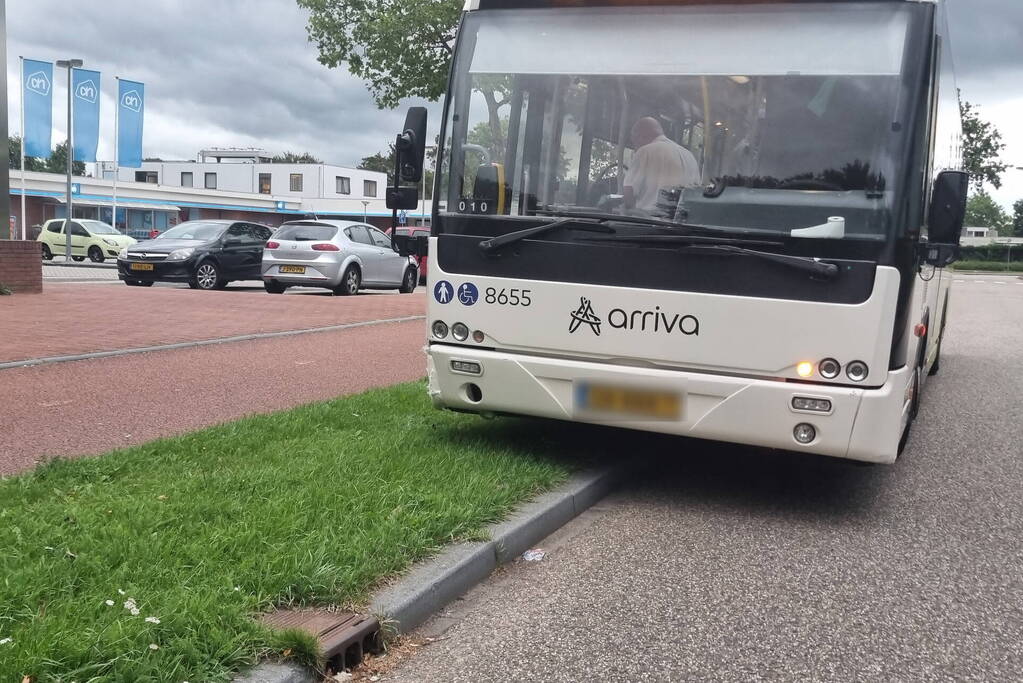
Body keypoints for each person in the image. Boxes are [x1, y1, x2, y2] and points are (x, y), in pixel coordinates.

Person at [623, 117, 701, 214]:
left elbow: (628, 193)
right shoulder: (689, 156)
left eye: (634, 141)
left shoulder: (645, 151)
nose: (635, 147)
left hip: (648, 224)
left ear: (640, 136)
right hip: (683, 225)